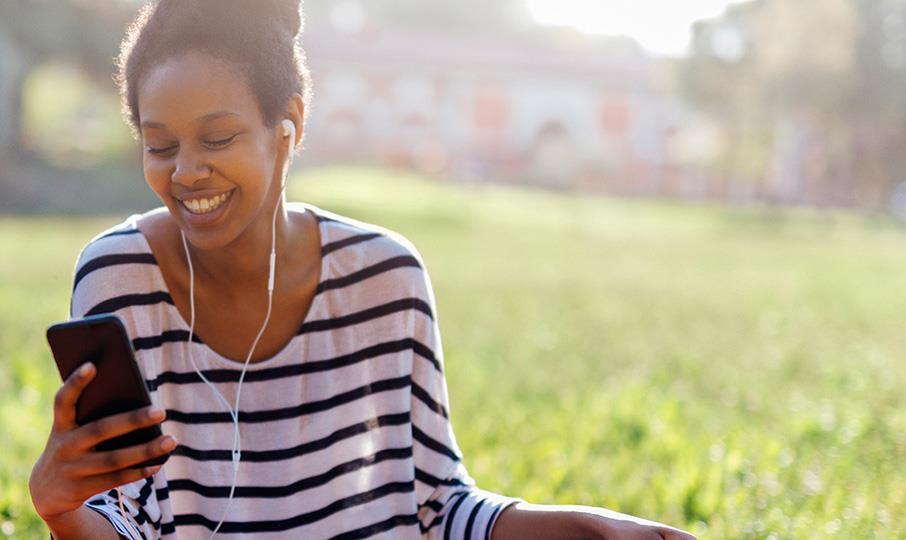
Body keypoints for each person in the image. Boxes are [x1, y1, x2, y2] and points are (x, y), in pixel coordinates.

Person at [27, 1, 698, 539]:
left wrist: (582, 526)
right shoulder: (119, 277)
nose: (185, 171)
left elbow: (436, 503)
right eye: (160, 145)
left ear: (287, 126)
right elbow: (127, 517)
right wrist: (62, 512)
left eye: (219, 138)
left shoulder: (385, 277)